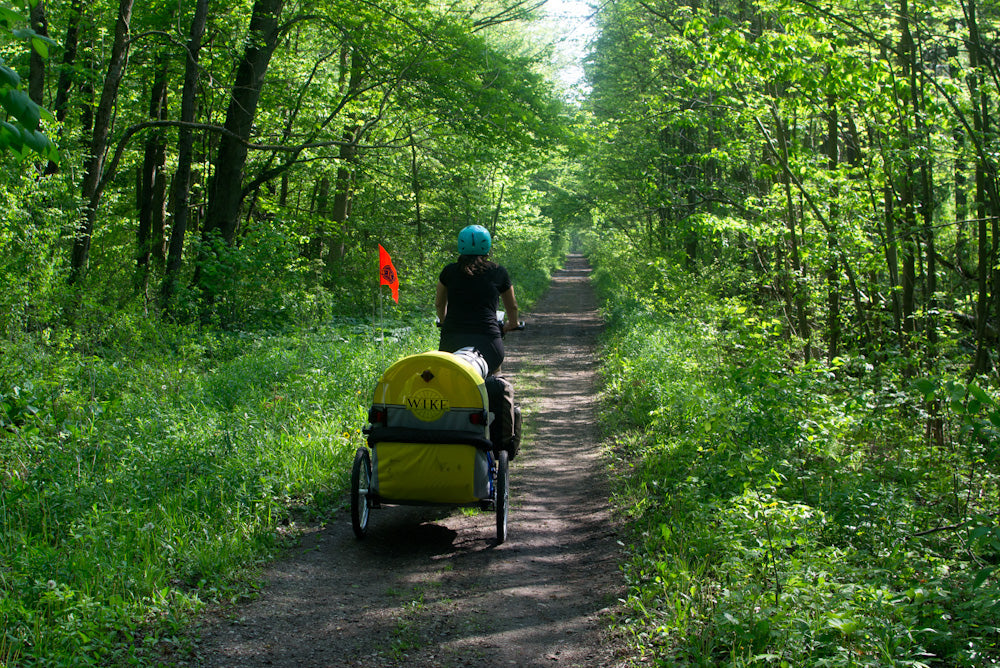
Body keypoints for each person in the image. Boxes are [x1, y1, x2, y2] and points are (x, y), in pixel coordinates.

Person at [435, 224, 520, 377]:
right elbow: (512, 306)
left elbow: (439, 303)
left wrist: (443, 320)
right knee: (495, 376)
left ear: (460, 245)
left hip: (451, 341)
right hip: (488, 342)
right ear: (487, 245)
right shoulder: (498, 271)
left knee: (449, 380)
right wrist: (512, 324)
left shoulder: (449, 271)